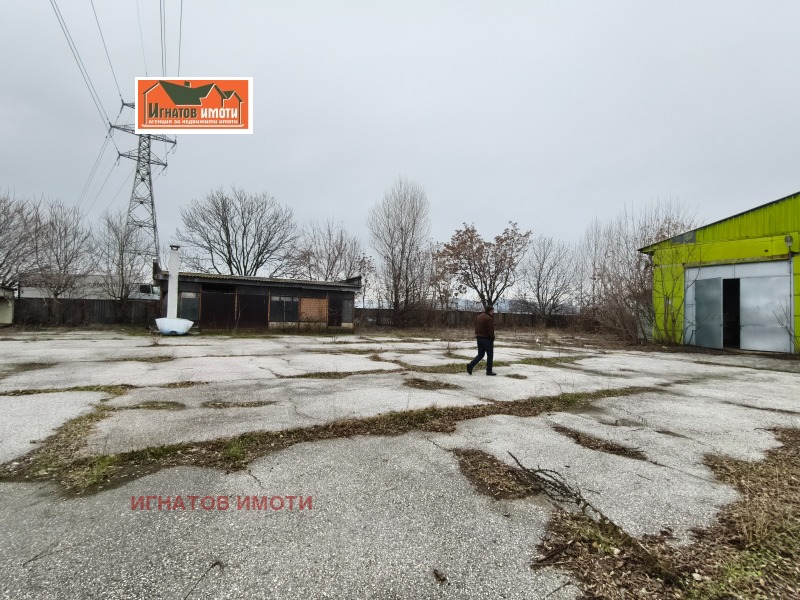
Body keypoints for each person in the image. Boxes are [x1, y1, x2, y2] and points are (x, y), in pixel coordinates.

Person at [467, 304, 496, 376]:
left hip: (479, 338)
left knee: (480, 355)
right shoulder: (489, 318)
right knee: (490, 355)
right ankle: (489, 371)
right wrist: (492, 338)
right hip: (487, 339)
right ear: (490, 311)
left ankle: (471, 365)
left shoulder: (479, 317)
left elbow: (476, 327)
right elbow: (490, 331)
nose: (493, 312)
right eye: (492, 311)